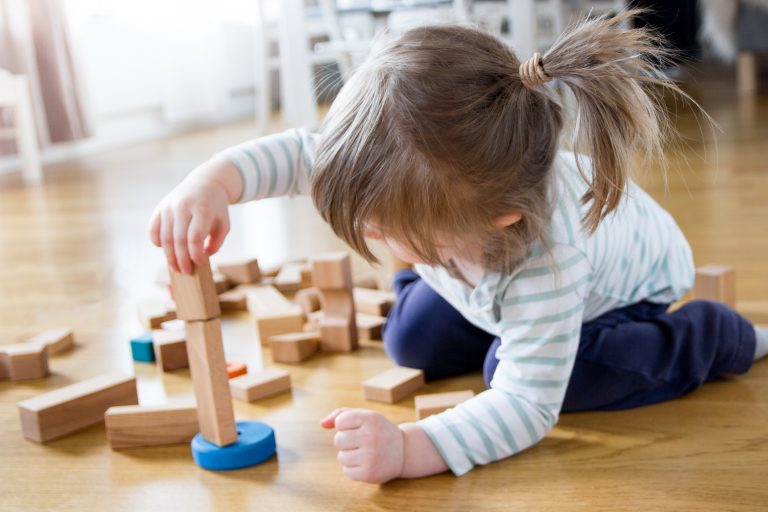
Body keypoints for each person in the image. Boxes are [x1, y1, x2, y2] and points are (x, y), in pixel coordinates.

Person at [149, 12, 768, 484]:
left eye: (385, 229)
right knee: (409, 340)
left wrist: (411, 448)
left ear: (497, 221)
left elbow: (526, 406)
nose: (367, 235)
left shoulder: (547, 264)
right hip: (478, 272)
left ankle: (714, 338)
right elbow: (300, 156)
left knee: (524, 373)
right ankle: (461, 295)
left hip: (613, 301)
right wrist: (213, 182)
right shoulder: (409, 179)